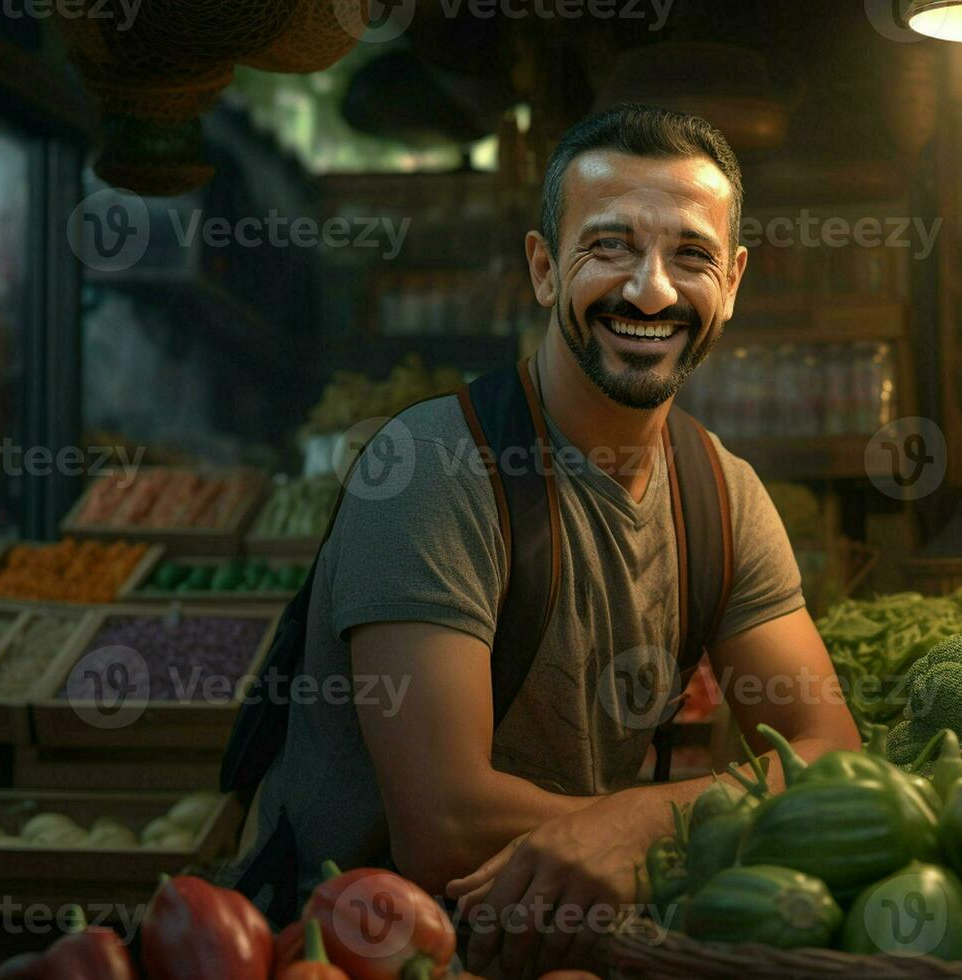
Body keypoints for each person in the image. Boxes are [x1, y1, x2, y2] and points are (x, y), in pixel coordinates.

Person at [221, 104, 859, 975]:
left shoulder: (725, 495)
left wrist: (642, 820)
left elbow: (831, 762)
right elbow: (444, 824)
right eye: (610, 247)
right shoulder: (430, 470)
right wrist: (650, 819)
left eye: (692, 256)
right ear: (544, 267)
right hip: (352, 959)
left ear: (735, 282)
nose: (652, 290)